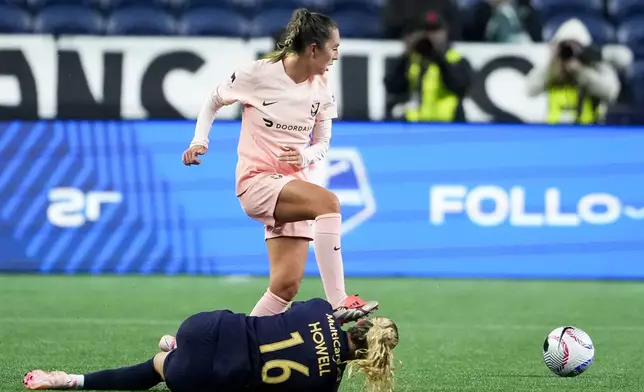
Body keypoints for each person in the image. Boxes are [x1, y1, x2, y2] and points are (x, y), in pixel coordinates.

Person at [180, 8, 378, 323]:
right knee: (328, 202)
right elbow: (212, 102)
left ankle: (237, 344)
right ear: (313, 48)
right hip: (256, 183)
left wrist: (304, 157)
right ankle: (340, 301)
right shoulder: (256, 74)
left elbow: (322, 144)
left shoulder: (323, 86)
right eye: (334, 48)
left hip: (291, 188)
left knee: (284, 288)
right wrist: (198, 141)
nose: (337, 55)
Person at [24, 298, 400, 392]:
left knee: (248, 326)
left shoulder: (318, 309)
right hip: (202, 374)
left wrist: (339, 313)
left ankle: (176, 342)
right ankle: (71, 381)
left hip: (206, 327)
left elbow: (318, 319)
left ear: (359, 322)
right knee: (158, 366)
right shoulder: (327, 383)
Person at [525, 18, 621, 124]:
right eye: (565, 46)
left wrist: (581, 72)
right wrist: (552, 65)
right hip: (555, 131)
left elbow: (611, 93)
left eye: (575, 46)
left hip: (591, 130)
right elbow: (530, 90)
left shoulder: (596, 66)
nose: (569, 51)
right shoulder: (551, 68)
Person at [385, 11, 473, 122]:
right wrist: (406, 54)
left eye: (435, 31)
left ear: (445, 33)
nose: (431, 36)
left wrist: (439, 57)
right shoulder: (411, 60)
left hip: (449, 123)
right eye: (426, 31)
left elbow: (460, 87)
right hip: (415, 124)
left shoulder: (456, 59)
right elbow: (392, 87)